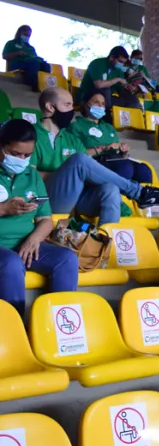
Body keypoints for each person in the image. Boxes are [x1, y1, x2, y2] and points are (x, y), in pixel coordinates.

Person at [33, 87, 159, 224]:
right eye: (67, 105)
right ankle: (140, 193)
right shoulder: (31, 135)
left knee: (110, 190)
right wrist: (65, 173)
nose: (72, 110)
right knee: (78, 160)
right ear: (50, 107)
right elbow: (28, 176)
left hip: (75, 197)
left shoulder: (71, 139)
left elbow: (86, 169)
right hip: (45, 199)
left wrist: (74, 176)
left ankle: (105, 237)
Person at [0, 119, 78, 315]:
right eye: (15, 154)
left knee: (67, 259)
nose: (21, 160)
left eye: (27, 155)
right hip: (4, 250)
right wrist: (4, 209)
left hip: (25, 245)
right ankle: (15, 326)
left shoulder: (32, 175)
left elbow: (45, 219)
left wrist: (34, 239)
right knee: (11, 263)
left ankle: (59, 323)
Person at [69, 91, 152, 183]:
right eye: (96, 102)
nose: (100, 106)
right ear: (86, 104)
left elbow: (117, 151)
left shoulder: (108, 127)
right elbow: (75, 154)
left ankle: (142, 192)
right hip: (94, 162)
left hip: (115, 159)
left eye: (103, 104)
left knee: (144, 170)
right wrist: (104, 148)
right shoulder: (76, 126)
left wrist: (122, 150)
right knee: (125, 168)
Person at [77, 46, 139, 111]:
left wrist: (128, 88)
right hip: (87, 98)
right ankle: (106, 113)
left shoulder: (119, 71)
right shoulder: (97, 63)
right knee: (106, 89)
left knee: (132, 98)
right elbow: (99, 85)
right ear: (111, 57)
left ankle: (136, 114)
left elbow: (120, 91)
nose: (122, 64)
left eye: (123, 62)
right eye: (120, 61)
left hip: (107, 100)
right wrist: (118, 79)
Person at [3, 25, 51, 90]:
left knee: (45, 65)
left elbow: (34, 57)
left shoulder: (31, 48)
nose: (27, 37)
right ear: (20, 33)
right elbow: (4, 56)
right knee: (33, 63)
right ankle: (31, 84)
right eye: (25, 35)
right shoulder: (11, 43)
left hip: (31, 63)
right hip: (17, 63)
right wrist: (18, 53)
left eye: (28, 36)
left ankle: (45, 86)